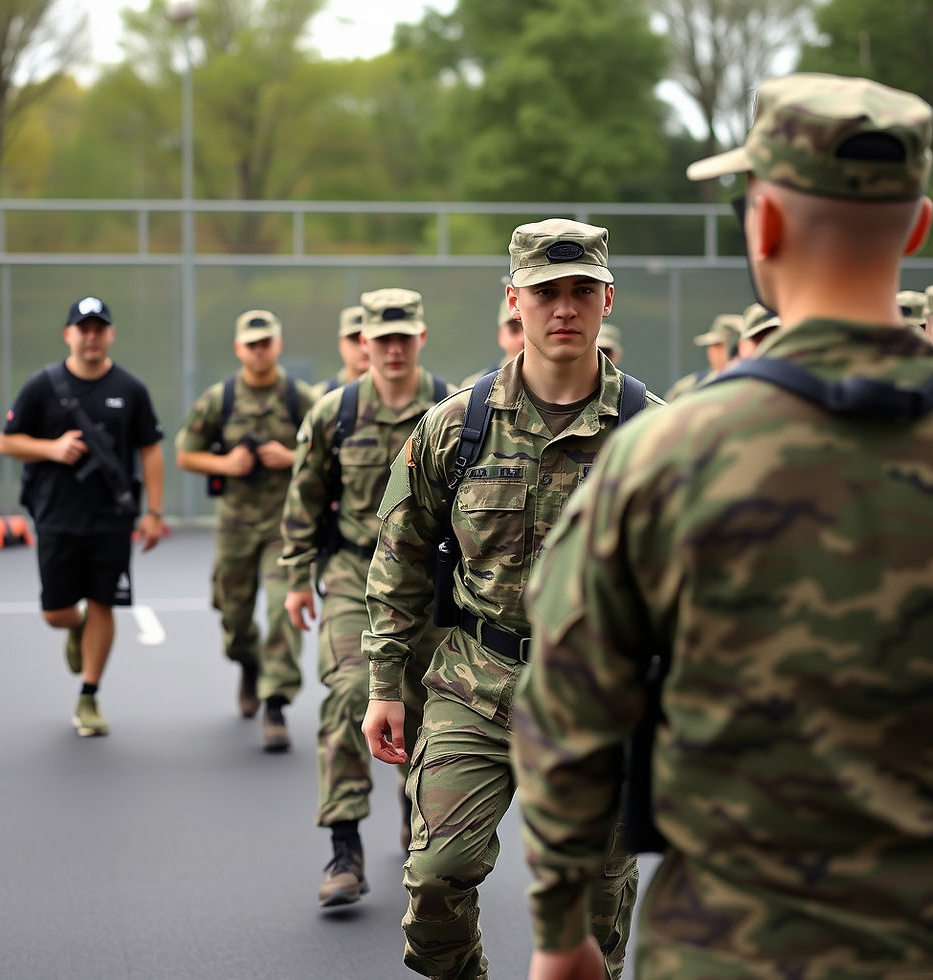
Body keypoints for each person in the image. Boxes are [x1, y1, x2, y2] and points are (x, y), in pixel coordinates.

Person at [511, 72, 933, 980]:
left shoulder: (668, 453)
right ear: (920, 226)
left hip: (730, 946)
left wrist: (558, 930)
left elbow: (570, 708)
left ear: (764, 223)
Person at [361, 218, 664, 979]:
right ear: (514, 303)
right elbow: (397, 557)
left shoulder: (653, 435)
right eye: (545, 293)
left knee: (597, 906)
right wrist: (382, 685)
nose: (564, 308)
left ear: (607, 300)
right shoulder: (455, 428)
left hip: (601, 695)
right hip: (477, 684)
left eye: (580, 292)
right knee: (435, 881)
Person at [280, 287, 454, 907]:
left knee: (431, 705)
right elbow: (304, 497)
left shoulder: (458, 410)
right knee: (355, 692)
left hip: (434, 583)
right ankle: (345, 844)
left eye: (405, 336)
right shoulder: (335, 413)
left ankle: (418, 819)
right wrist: (298, 574)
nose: (395, 349)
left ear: (421, 337)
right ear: (363, 345)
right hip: (356, 577)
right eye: (383, 339)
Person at [0, 296, 165, 737]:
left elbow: (150, 449)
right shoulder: (42, 386)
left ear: (110, 334)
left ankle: (89, 695)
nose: (91, 336)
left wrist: (154, 513)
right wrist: (51, 448)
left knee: (104, 602)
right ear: (68, 334)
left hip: (112, 519)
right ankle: (77, 626)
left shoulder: (131, 389)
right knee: (56, 611)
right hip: (55, 515)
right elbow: (7, 442)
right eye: (83, 328)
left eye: (99, 328)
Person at [175, 309, 315, 751]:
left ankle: (275, 704)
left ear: (278, 345)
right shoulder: (221, 399)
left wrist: (289, 457)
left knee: (280, 611)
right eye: (251, 344)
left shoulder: (300, 398)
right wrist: (225, 463)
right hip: (235, 527)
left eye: (266, 342)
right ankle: (249, 665)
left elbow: (328, 452)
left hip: (282, 527)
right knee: (234, 618)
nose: (259, 350)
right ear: (239, 349)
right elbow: (185, 452)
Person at [663, 312, 742, 400]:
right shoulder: (690, 386)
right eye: (711, 346)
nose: (712, 351)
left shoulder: (752, 385)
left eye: (719, 346)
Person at [459, 294, 526, 387]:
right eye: (514, 330)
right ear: (501, 336)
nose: (522, 338)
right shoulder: (476, 387)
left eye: (527, 330)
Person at [311, 305, 370, 397]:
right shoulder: (319, 397)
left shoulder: (395, 397)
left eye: (369, 340)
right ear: (341, 345)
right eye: (354, 340)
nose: (363, 348)